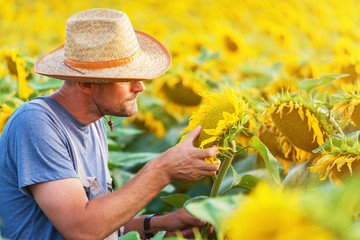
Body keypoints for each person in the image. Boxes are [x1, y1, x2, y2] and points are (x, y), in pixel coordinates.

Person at [0, 8, 220, 240]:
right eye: (125, 77)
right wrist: (163, 169)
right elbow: (82, 230)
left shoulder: (94, 121)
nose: (140, 86)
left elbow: (102, 224)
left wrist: (159, 224)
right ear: (86, 84)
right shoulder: (35, 124)